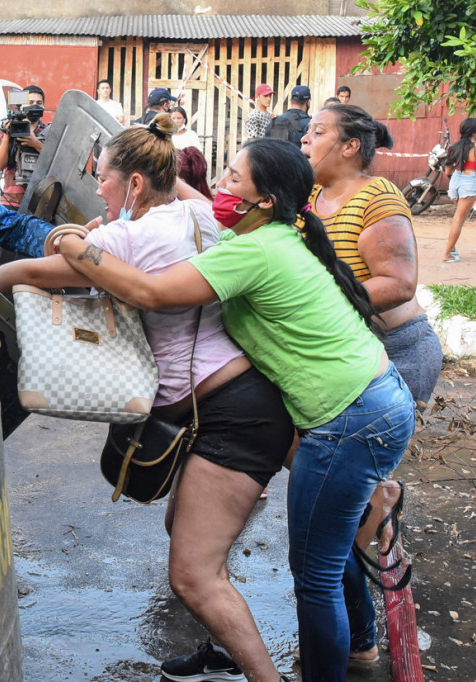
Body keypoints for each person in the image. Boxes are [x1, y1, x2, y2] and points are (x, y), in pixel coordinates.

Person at [55, 137, 415, 682]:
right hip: (368, 404)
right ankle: (360, 632)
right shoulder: (268, 234)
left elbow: (151, 293)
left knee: (314, 577)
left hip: (351, 418)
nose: (220, 187)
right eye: (220, 174)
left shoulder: (253, 250)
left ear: (264, 199)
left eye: (233, 179)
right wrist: (153, 148)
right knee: (323, 558)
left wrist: (75, 247)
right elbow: (180, 192)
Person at [0, 114, 296, 682]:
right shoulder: (202, 213)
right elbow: (171, 184)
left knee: (192, 575)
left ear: (132, 184)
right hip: (247, 399)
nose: (97, 188)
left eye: (103, 177)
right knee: (186, 531)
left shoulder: (119, 239)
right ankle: (223, 647)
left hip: (232, 419)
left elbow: (26, 274)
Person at [301, 104, 442, 672]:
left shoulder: (376, 196)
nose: (306, 141)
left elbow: (398, 282)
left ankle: (361, 640)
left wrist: (322, 305)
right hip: (349, 358)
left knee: (339, 510)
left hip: (399, 356)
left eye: (317, 133)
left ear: (350, 146)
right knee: (338, 512)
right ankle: (361, 639)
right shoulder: (311, 200)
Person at [0, 85, 47, 208]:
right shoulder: (6, 127)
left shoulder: (50, 131)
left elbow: (57, 163)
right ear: (21, 105)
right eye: (30, 102)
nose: (34, 106)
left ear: (44, 106)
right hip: (10, 201)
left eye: (39, 103)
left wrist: (36, 144)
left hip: (39, 204)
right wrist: (8, 135)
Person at [443, 117, 476, 263]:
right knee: (458, 220)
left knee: (458, 219)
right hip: (469, 182)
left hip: (455, 181)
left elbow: (447, 171)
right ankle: (447, 254)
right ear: (474, 132)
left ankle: (452, 249)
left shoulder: (454, 147)